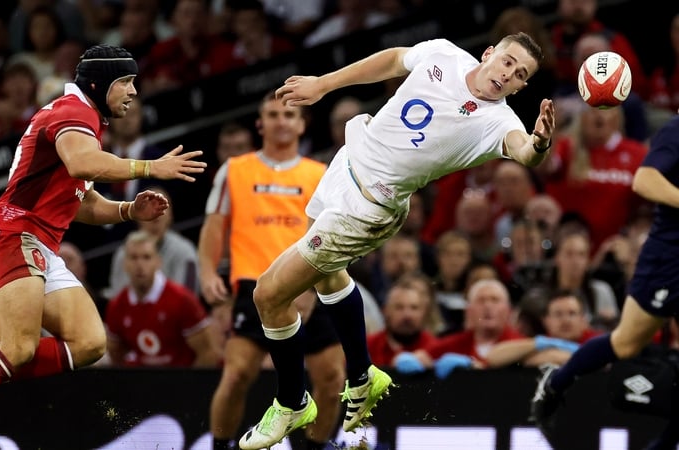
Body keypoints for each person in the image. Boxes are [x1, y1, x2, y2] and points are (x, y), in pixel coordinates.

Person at [238, 31, 556, 449]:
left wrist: (540, 143)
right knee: (327, 278)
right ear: (489, 52)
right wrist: (324, 83)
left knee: (268, 296)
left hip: (367, 209)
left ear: (521, 87)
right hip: (349, 163)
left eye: (520, 74)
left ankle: (292, 401)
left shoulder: (499, 122)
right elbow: (392, 60)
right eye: (508, 61)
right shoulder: (444, 52)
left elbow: (523, 151)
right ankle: (363, 376)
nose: (508, 74)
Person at [0, 44, 206, 449]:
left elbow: (83, 200)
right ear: (99, 84)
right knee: (19, 348)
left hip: (40, 243)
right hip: (12, 234)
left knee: (90, 343)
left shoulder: (85, 119)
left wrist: (130, 209)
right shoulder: (73, 112)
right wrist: (150, 167)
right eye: (126, 82)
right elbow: (83, 165)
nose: (134, 92)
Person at [199, 92, 345, 450]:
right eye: (273, 114)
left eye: (289, 114)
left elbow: (334, 230)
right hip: (255, 282)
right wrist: (206, 272)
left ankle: (314, 447)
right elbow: (215, 224)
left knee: (331, 379)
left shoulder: (318, 173)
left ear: (301, 124)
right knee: (237, 375)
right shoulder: (235, 169)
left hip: (311, 278)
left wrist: (312, 285)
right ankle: (221, 446)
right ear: (260, 123)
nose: (282, 120)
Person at [530, 113, 679, 450]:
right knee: (626, 344)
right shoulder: (676, 129)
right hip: (669, 258)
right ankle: (556, 382)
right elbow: (645, 180)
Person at [104, 230, 221, 368]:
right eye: (133, 258)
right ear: (124, 264)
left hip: (180, 379)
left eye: (146, 257)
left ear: (158, 262)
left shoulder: (182, 300)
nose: (140, 265)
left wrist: (189, 385)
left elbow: (208, 353)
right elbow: (116, 356)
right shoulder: (117, 305)